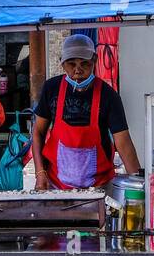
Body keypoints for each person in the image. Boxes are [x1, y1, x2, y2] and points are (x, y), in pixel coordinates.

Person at [33, 33, 141, 190]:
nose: (78, 71)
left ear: (95, 61)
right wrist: (40, 172)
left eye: (85, 64)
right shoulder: (52, 88)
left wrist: (140, 185)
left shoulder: (109, 96)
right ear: (62, 63)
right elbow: (38, 132)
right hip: (56, 185)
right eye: (71, 64)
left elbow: (123, 143)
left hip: (99, 187)